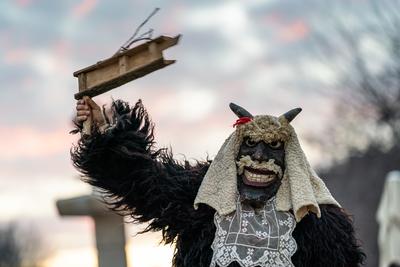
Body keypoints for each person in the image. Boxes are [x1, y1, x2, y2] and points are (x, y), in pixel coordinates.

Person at [72, 97, 365, 267]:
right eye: (250, 146)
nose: (260, 157)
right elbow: (145, 182)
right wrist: (105, 132)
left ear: (289, 158)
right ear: (236, 151)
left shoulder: (319, 224)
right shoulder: (202, 198)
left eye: (273, 148)